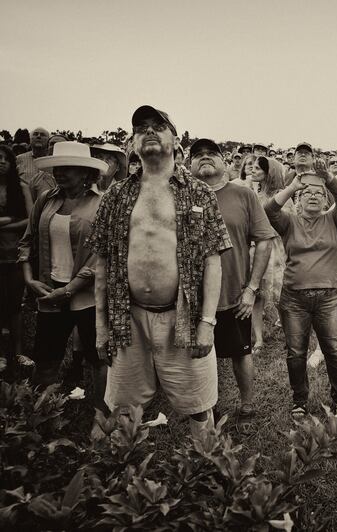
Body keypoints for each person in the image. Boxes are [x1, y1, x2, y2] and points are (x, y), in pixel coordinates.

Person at [87, 105, 231, 440]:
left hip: (185, 315)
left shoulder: (200, 193)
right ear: (132, 143)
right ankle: (120, 470)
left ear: (176, 139)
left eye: (158, 126)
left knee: (198, 402)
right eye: (141, 128)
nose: (149, 131)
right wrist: (100, 327)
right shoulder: (117, 194)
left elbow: (213, 261)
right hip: (128, 317)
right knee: (122, 405)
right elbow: (102, 263)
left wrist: (207, 324)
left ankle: (206, 464)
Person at [18, 141, 109, 432]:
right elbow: (27, 241)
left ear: (85, 172)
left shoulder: (102, 203)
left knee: (98, 360)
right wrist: (29, 277)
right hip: (48, 290)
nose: (60, 173)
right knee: (47, 356)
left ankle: (101, 414)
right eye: (57, 168)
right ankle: (43, 413)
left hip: (87, 296)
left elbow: (101, 256)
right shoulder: (46, 199)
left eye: (67, 168)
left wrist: (69, 290)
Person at [189, 138, 276, 431]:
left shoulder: (243, 195)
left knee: (241, 352)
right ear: (188, 165)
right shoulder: (181, 196)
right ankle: (205, 412)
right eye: (197, 154)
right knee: (199, 356)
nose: (204, 158)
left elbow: (264, 240)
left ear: (224, 161)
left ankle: (247, 406)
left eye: (211, 153)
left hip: (235, 292)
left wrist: (252, 289)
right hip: (193, 297)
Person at [265, 152, 337, 418]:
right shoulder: (288, 222)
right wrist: (293, 185)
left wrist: (328, 178)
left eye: (319, 193)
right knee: (296, 353)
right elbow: (269, 210)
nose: (313, 196)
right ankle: (300, 400)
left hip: (327, 298)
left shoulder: (334, 221)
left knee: (334, 351)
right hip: (293, 298)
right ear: (298, 200)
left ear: (326, 200)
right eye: (307, 193)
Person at [251, 156, 288, 352]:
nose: (253, 170)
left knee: (280, 293)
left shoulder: (282, 196)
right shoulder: (252, 195)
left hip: (277, 248)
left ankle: (287, 328)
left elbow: (288, 224)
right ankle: (258, 339)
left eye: (258, 168)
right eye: (253, 167)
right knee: (256, 293)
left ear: (269, 172)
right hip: (256, 248)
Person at [0, 145, 30, 372]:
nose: (1, 162)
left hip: (15, 255)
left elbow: (30, 219)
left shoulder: (21, 188)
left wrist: (4, 222)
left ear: (11, 163)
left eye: (4, 159)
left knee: (15, 304)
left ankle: (18, 352)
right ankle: (2, 355)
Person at [16, 127, 53, 213]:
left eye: (42, 135)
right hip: (23, 209)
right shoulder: (18, 159)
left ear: (48, 141)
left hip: (48, 208)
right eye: (35, 134)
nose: (38, 136)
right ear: (30, 139)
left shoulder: (53, 161)